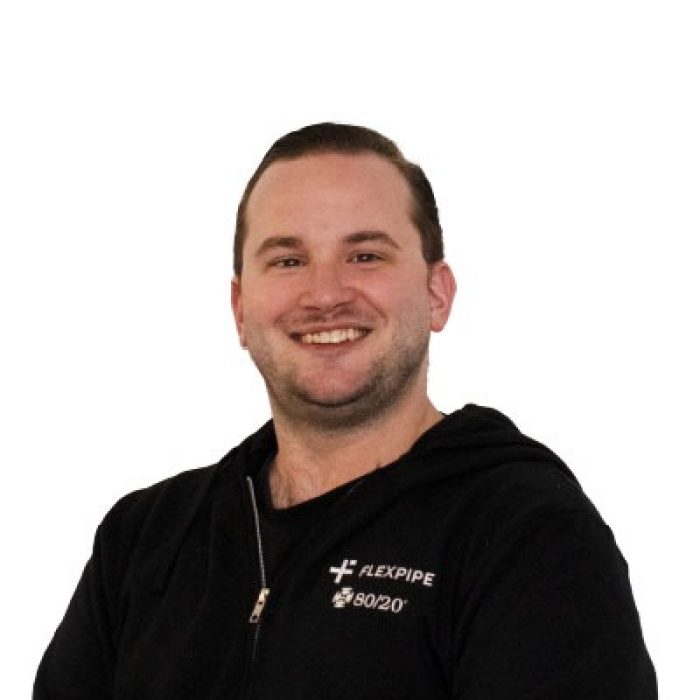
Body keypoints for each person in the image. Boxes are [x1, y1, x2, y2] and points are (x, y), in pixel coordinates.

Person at [34, 123, 656, 699]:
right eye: (288, 260)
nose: (325, 294)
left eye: (365, 256)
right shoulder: (144, 539)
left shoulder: (530, 538)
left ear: (437, 295)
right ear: (241, 311)